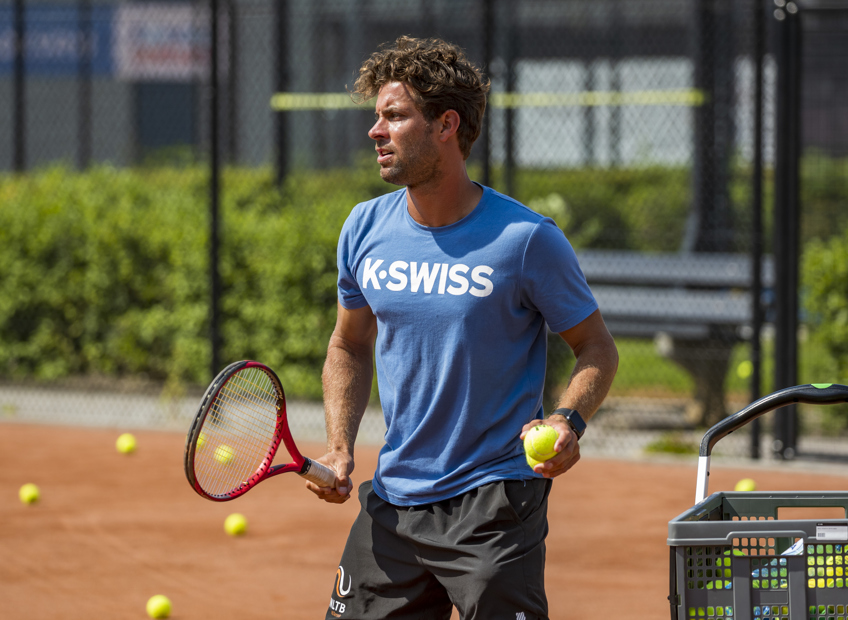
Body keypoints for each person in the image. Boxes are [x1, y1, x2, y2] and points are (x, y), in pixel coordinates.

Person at [307, 36, 619, 620]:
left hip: (493, 505)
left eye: (394, 116)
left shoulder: (525, 240)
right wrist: (341, 446)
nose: (375, 131)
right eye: (377, 116)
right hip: (393, 501)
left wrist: (568, 419)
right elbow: (348, 344)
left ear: (446, 125)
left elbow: (596, 347)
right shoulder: (363, 228)